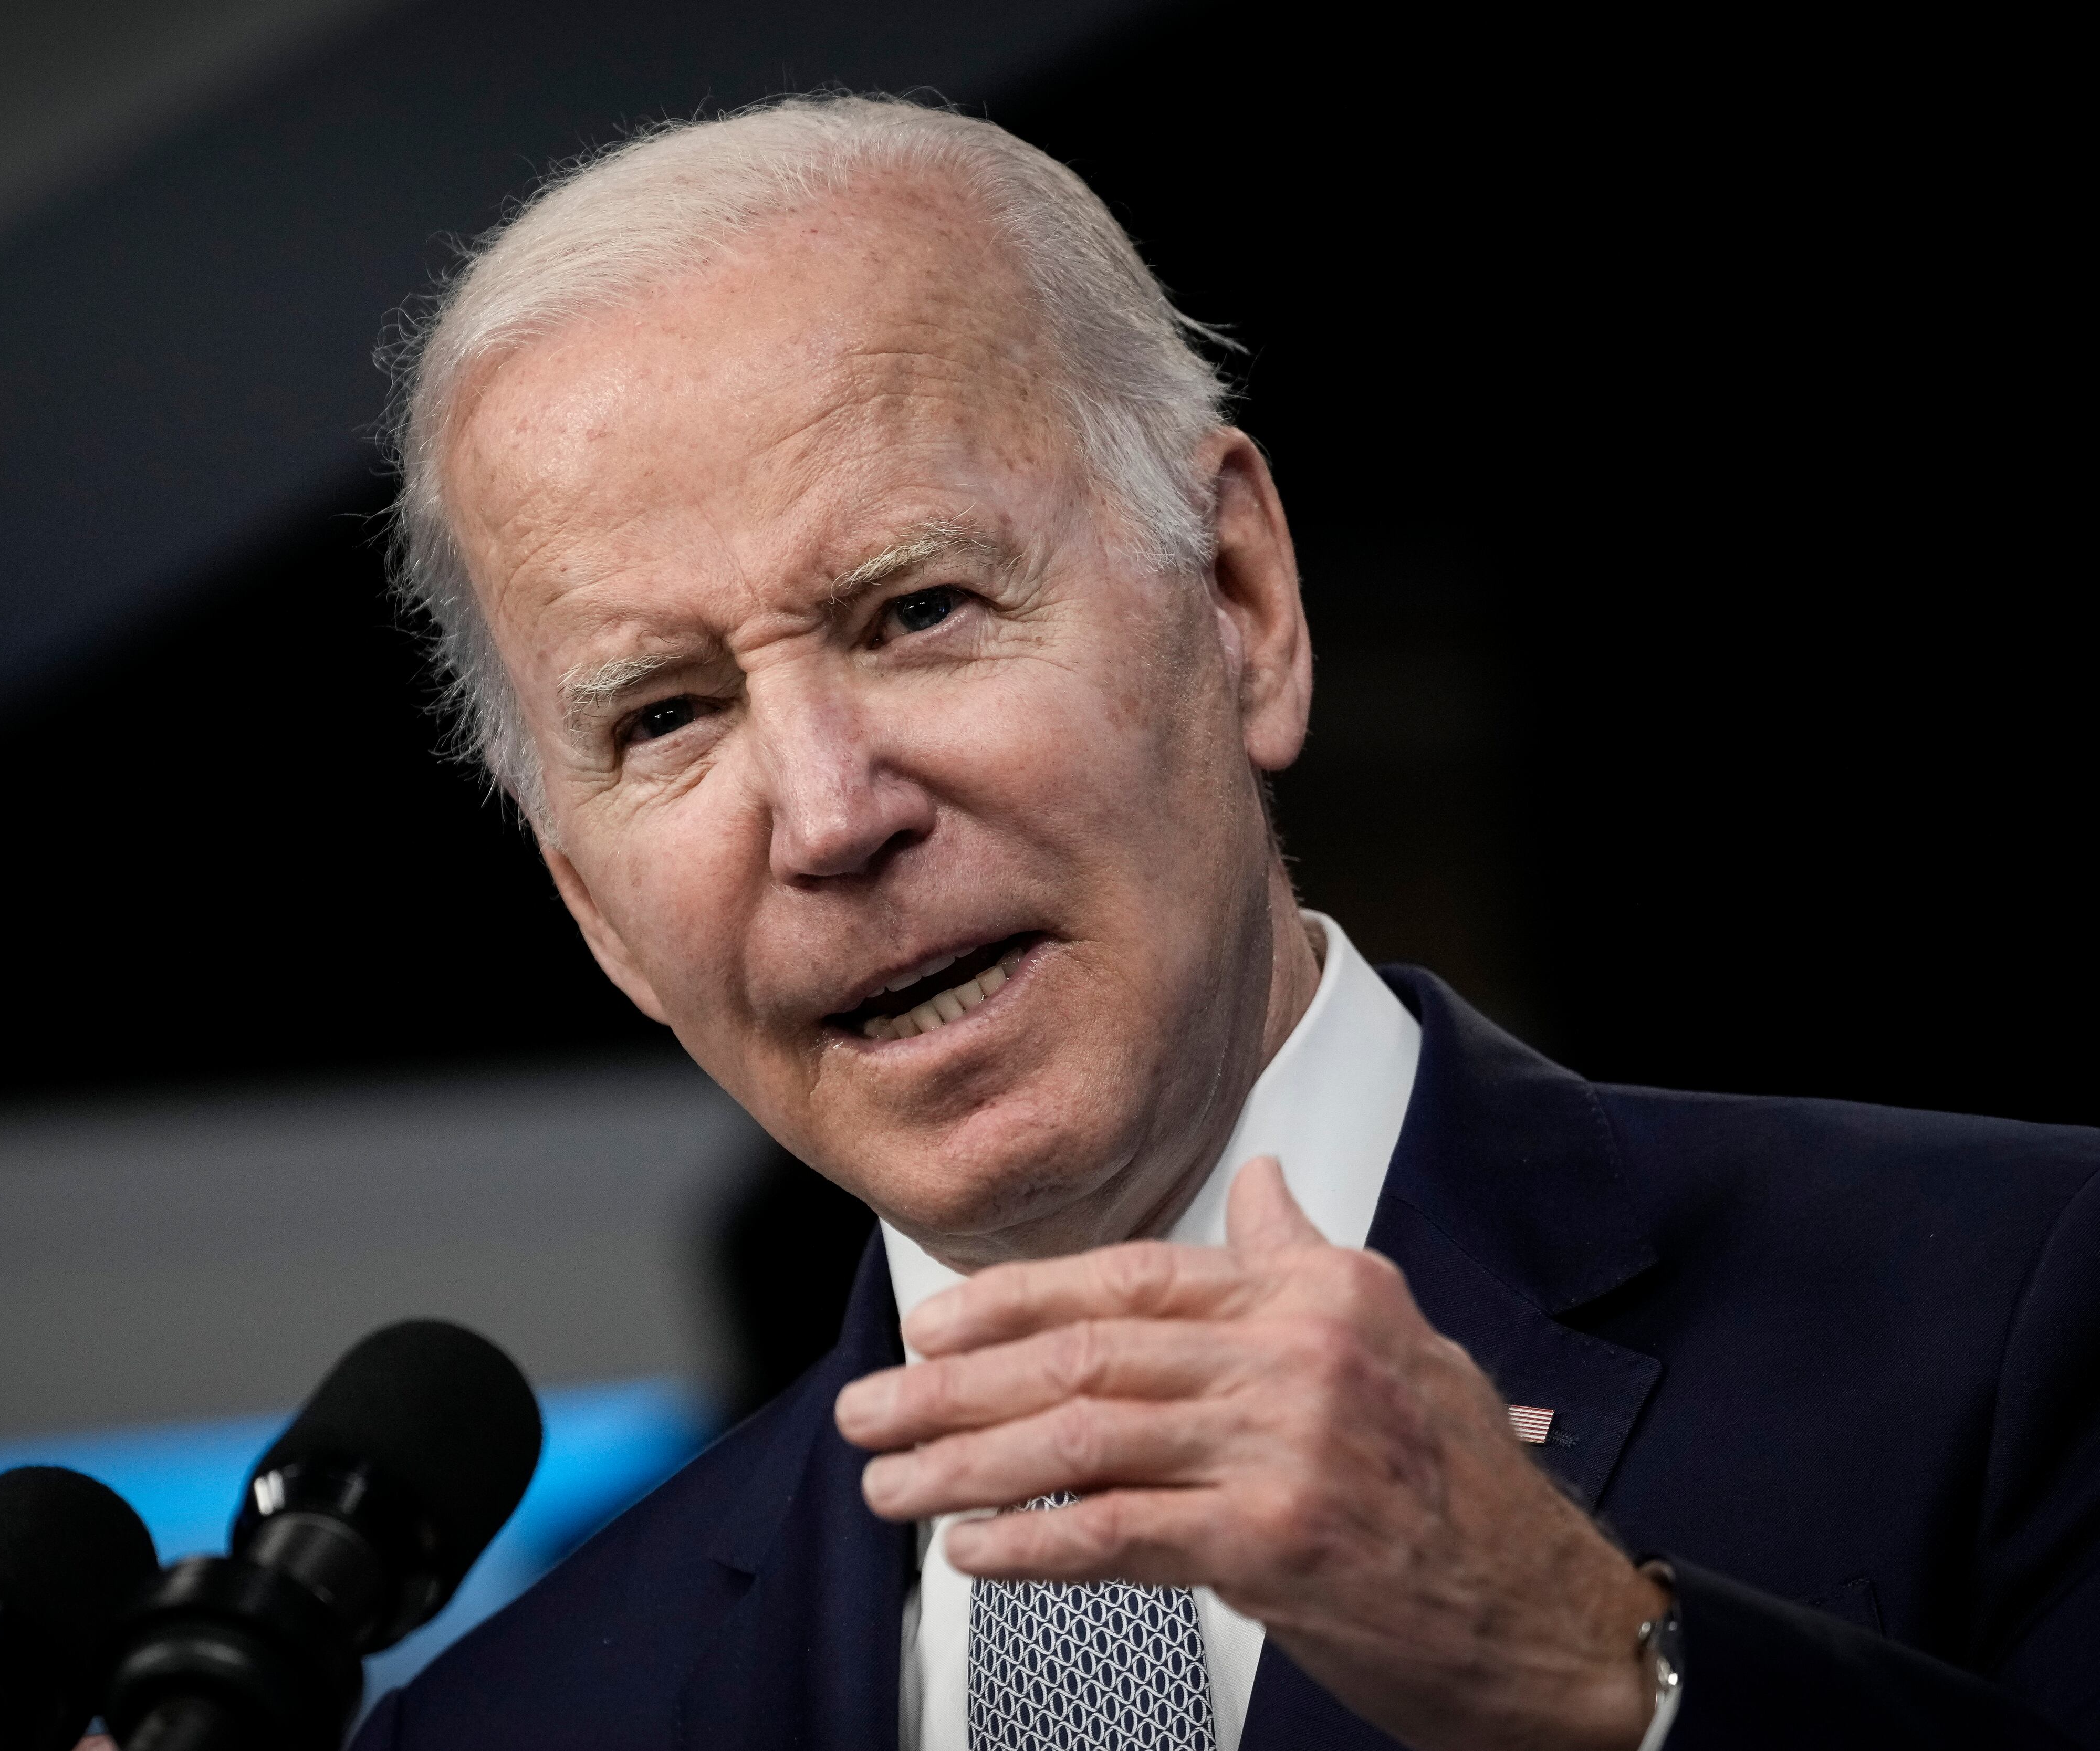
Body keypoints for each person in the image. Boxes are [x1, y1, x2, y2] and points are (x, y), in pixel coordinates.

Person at [346, 96, 2099, 1749]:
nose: (828, 814)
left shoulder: (2020, 1306)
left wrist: (1600, 1677)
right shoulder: (512, 1720)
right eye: (664, 717)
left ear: (1243, 604)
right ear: (598, 912)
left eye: (919, 609)